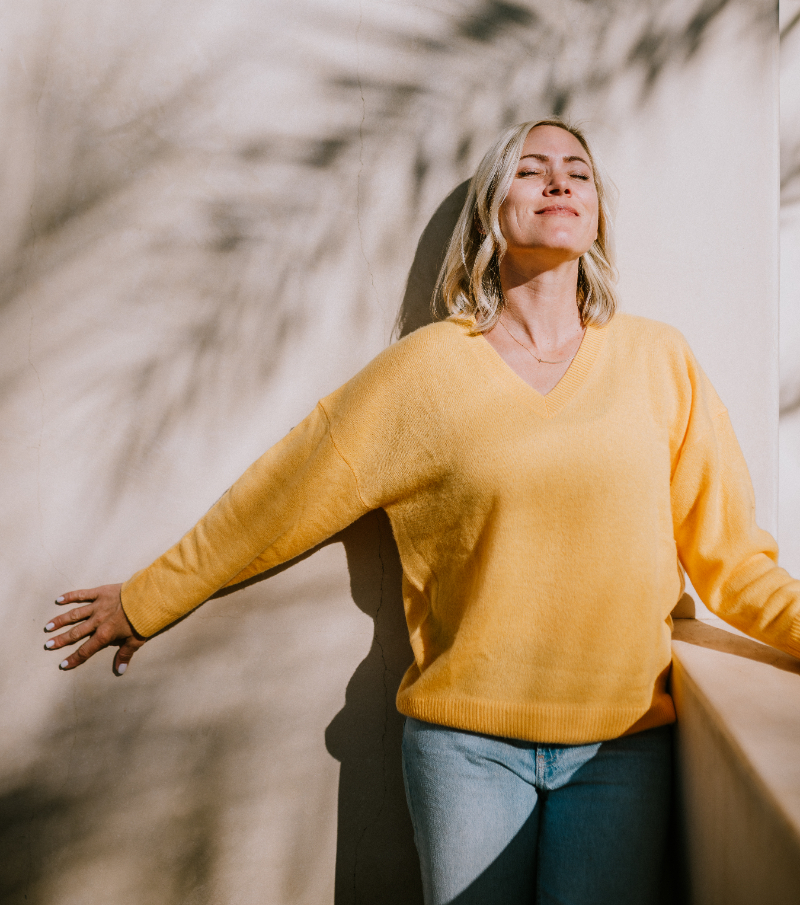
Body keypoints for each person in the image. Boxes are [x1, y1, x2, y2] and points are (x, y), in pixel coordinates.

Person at [43, 119, 800, 905]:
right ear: (492, 209)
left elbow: (734, 560)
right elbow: (281, 495)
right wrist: (148, 599)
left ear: (597, 212)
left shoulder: (660, 361)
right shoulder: (424, 372)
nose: (559, 181)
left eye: (578, 171)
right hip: (466, 754)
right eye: (531, 169)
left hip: (622, 749)